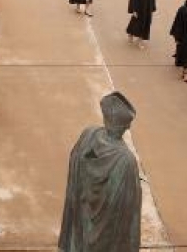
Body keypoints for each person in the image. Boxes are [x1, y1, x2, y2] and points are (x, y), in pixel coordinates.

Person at [58, 91, 141, 252]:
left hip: (81, 223)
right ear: (126, 126)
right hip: (108, 238)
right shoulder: (126, 160)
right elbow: (130, 215)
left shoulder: (89, 135)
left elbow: (78, 162)